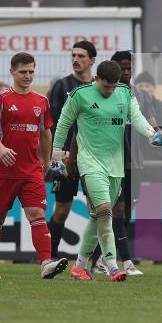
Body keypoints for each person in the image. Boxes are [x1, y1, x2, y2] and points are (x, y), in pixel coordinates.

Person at [55, 60, 162, 282]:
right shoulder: (79, 95)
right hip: (90, 163)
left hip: (115, 166)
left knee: (98, 217)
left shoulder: (124, 93)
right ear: (96, 79)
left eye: (113, 86)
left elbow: (137, 118)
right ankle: (113, 265)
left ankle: (79, 266)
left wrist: (151, 134)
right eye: (106, 86)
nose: (109, 91)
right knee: (105, 211)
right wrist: (57, 155)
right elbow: (64, 123)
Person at [89, 52, 162, 276]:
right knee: (113, 212)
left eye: (129, 68)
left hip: (134, 163)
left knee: (125, 214)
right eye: (122, 68)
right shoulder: (99, 94)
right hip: (108, 163)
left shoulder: (140, 95)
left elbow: (152, 124)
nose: (126, 73)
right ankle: (125, 262)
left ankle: (98, 258)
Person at [0, 52, 66, 280]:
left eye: (31, 71)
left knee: (37, 214)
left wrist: (46, 160)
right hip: (3, 172)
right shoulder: (1, 99)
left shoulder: (41, 101)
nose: (28, 76)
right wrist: (1, 148)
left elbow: (46, 132)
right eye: (23, 72)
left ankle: (46, 263)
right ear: (12, 72)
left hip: (31, 171)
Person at [46, 41, 97, 259]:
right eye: (73, 55)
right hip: (64, 157)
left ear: (92, 60)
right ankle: (49, 257)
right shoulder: (61, 86)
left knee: (97, 211)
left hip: (92, 158)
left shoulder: (98, 86)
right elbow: (52, 123)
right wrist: (58, 154)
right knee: (61, 211)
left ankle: (94, 261)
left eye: (81, 56)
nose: (76, 60)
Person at [133, 71, 162, 183]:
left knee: (159, 199)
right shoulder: (129, 108)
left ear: (153, 88)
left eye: (147, 85)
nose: (144, 89)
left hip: (159, 166)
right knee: (136, 199)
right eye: (140, 86)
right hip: (136, 165)